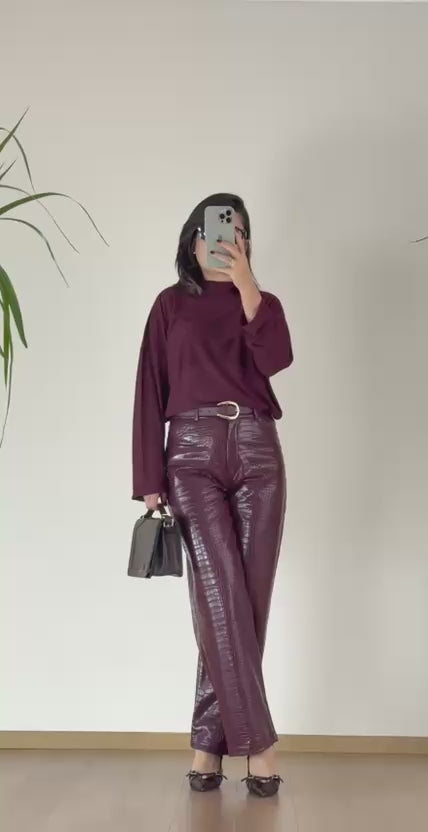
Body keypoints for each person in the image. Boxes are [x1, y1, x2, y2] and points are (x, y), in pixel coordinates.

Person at [132, 193, 293, 797]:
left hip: (258, 451)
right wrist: (149, 479)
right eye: (215, 231)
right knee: (220, 595)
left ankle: (207, 744)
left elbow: (276, 359)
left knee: (247, 605)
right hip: (192, 456)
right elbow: (149, 387)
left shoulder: (263, 306)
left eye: (238, 233)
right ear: (192, 239)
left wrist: (248, 286)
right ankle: (261, 746)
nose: (225, 241)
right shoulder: (170, 305)